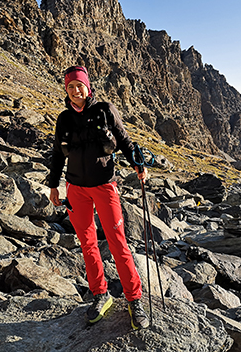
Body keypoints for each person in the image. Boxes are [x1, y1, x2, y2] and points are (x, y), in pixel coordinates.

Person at [49, 65, 149, 330]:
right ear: (66, 90)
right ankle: (100, 294)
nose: (75, 91)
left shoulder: (104, 109)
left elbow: (125, 140)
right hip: (75, 189)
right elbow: (58, 154)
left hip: (105, 186)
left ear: (88, 86)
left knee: (117, 243)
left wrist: (138, 165)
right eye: (70, 87)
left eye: (79, 85)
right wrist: (53, 186)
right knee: (88, 244)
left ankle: (134, 299)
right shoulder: (64, 119)